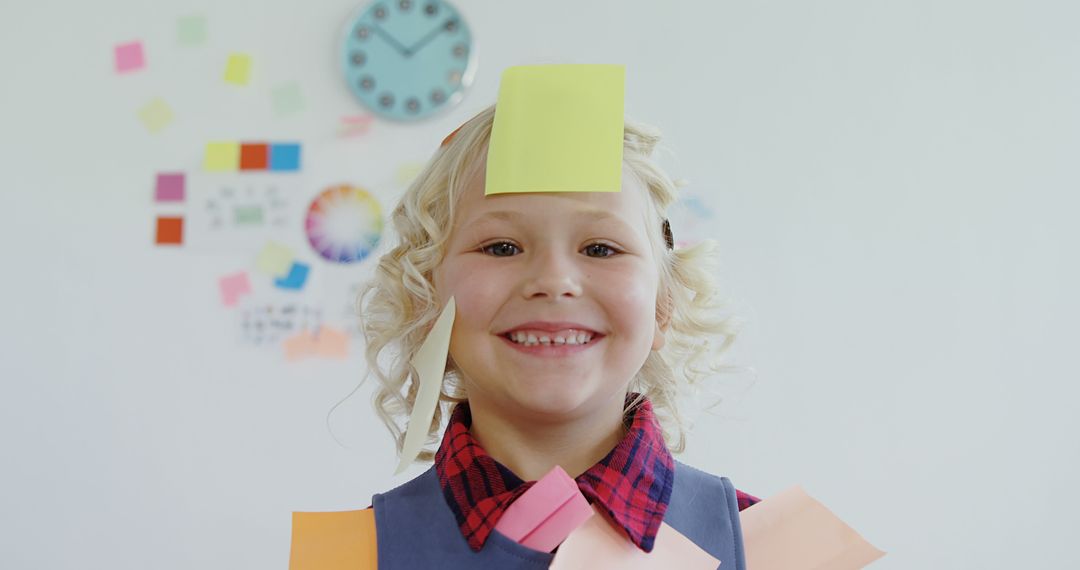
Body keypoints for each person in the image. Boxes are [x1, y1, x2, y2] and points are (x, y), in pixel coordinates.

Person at [292, 66, 759, 570]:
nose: (553, 279)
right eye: (501, 247)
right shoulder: (347, 558)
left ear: (662, 307)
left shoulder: (774, 548)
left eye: (601, 248)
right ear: (427, 303)